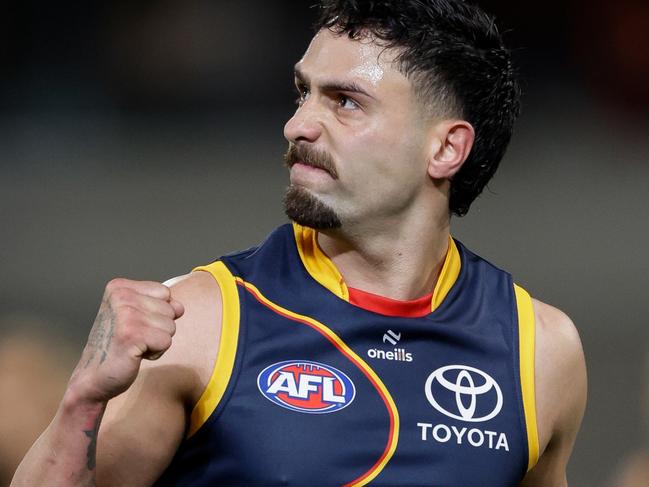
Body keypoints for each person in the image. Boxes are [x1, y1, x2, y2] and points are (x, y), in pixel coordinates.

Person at [11, 1, 587, 485]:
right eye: (302, 93)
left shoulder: (540, 350)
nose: (298, 125)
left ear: (446, 150)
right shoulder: (199, 323)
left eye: (345, 102)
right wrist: (83, 401)